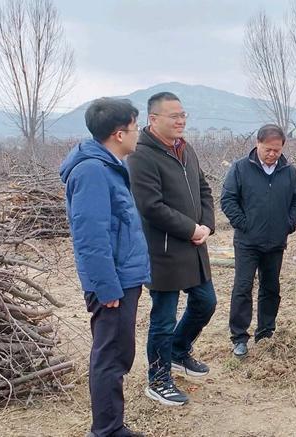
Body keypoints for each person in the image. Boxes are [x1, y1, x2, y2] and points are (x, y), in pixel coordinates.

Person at [59, 97, 149, 437]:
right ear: (118, 133)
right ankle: (106, 431)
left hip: (122, 277)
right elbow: (91, 237)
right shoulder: (92, 171)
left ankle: (112, 426)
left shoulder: (109, 166)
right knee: (110, 357)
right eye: (135, 127)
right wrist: (106, 286)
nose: (138, 134)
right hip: (113, 283)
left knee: (118, 354)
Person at [128, 92, 217, 406]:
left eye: (183, 115)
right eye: (173, 116)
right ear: (153, 119)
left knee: (206, 303)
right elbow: (150, 206)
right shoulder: (141, 155)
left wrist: (206, 225)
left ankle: (178, 351)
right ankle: (158, 379)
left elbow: (204, 189)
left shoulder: (185, 149)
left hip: (194, 247)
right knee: (163, 318)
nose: (180, 121)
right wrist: (191, 228)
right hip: (163, 250)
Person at [221, 123, 296, 358]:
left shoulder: (288, 171)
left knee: (271, 288)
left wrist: (289, 224)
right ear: (258, 144)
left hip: (275, 242)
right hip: (247, 242)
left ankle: (266, 332)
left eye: (277, 150)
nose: (272, 154)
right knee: (243, 287)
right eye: (268, 149)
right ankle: (239, 337)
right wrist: (244, 224)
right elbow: (228, 199)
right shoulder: (240, 168)